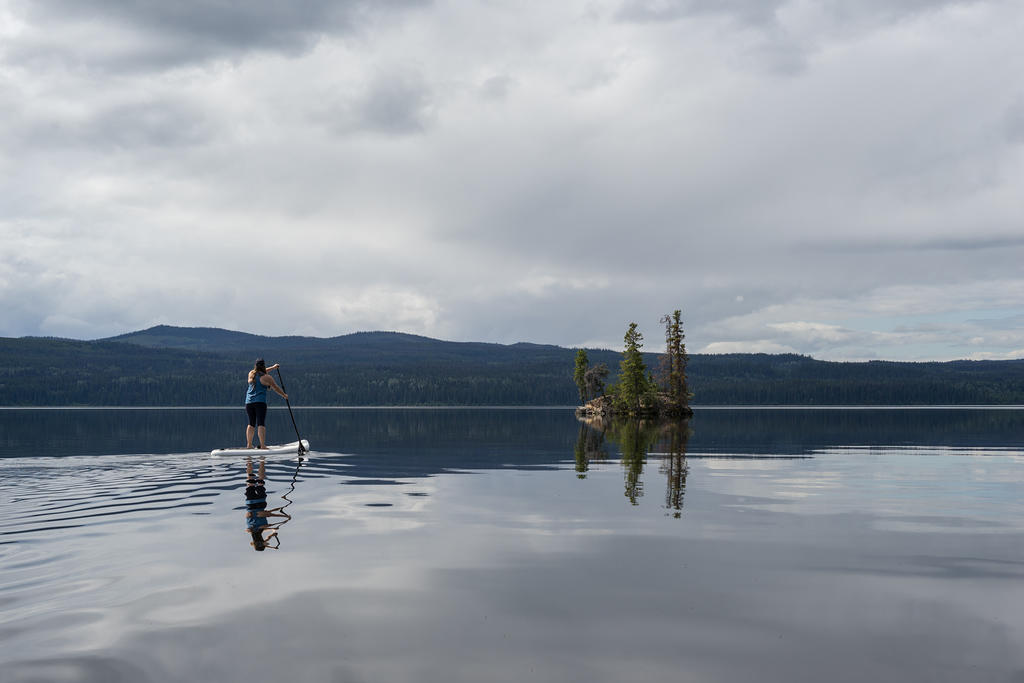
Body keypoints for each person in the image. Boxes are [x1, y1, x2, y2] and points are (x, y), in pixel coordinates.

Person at [244, 456, 291, 551]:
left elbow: (268, 514)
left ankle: (262, 461)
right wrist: (272, 534)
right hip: (250, 503)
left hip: (260, 503)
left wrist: (285, 518)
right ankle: (249, 460)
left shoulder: (263, 527)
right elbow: (265, 515)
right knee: (250, 482)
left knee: (260, 481)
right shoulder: (249, 530)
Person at [245, 358, 288, 449]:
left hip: (249, 403)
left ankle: (249, 445)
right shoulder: (267, 377)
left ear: (255, 366)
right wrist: (284, 395)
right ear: (263, 366)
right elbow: (276, 388)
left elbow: (261, 372)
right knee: (261, 423)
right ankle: (263, 445)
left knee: (251, 423)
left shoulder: (251, 374)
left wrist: (273, 367)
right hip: (260, 402)